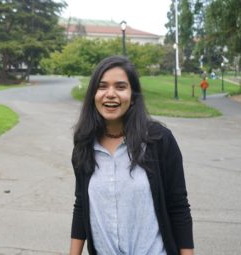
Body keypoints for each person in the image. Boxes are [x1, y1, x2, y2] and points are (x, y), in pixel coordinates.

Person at [70, 55, 194, 255]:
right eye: (102, 87)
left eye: (120, 87)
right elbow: (82, 204)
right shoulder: (84, 144)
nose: (110, 94)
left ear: (133, 96)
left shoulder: (159, 140)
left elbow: (178, 207)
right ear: (93, 94)